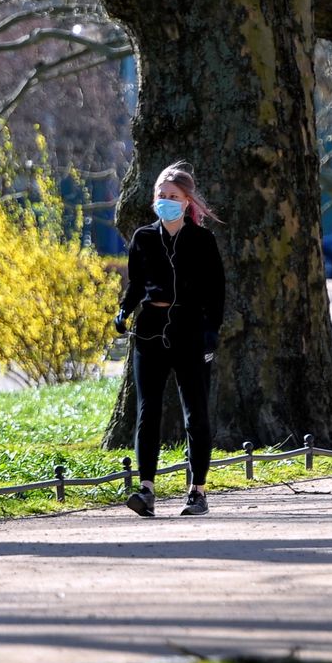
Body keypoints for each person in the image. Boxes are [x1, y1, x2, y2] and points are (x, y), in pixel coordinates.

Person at [113, 161, 225, 517]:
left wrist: (211, 332)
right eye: (161, 195)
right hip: (150, 333)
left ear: (187, 201)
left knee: (196, 414)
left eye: (173, 196)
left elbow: (216, 292)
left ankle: (197, 491)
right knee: (148, 412)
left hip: (190, 333)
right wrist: (123, 312)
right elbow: (135, 283)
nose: (165, 200)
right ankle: (146, 489)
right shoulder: (143, 238)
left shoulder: (202, 240)